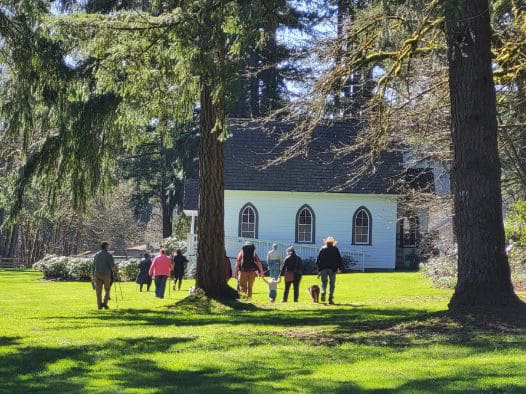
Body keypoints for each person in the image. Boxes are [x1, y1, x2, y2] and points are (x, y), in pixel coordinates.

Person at [316, 236, 343, 304]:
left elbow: (317, 260)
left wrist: (319, 269)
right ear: (333, 242)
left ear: (326, 242)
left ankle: (323, 291)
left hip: (323, 269)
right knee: (332, 284)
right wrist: (340, 268)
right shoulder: (335, 249)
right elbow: (339, 259)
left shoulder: (322, 249)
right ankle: (330, 298)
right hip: (332, 269)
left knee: (324, 282)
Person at [92, 241, 117, 310]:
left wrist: (92, 275)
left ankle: (99, 304)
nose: (109, 247)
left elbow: (93, 265)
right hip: (106, 274)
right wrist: (116, 271)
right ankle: (105, 303)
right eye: (108, 246)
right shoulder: (109, 255)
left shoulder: (96, 255)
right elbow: (112, 266)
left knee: (98, 291)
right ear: (106, 246)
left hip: (97, 274)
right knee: (107, 289)